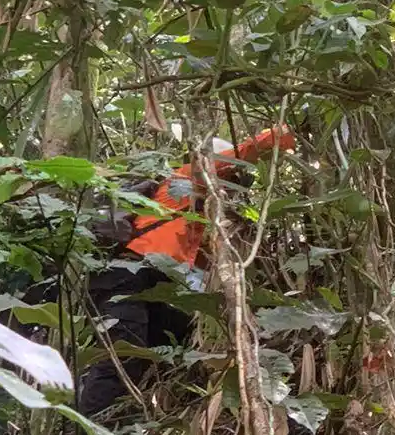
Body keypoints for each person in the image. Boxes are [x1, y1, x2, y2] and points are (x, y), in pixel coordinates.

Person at [79, 127, 294, 415]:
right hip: (123, 274)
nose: (231, 187)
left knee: (177, 337)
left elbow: (205, 262)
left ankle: (128, 420)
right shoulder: (182, 181)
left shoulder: (196, 209)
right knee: (122, 355)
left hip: (150, 282)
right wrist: (284, 133)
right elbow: (242, 153)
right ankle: (87, 433)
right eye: (230, 177)